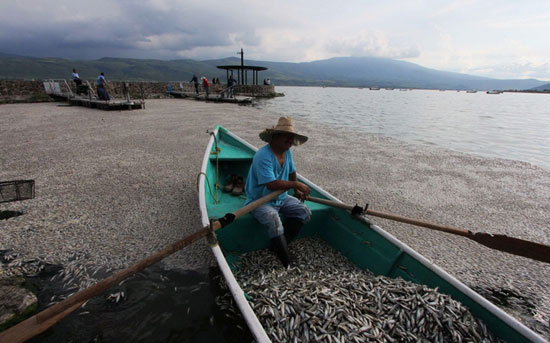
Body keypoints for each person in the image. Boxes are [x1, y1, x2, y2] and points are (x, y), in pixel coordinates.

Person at [244, 117, 312, 267]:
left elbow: (292, 171)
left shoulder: (287, 152)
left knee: (304, 212)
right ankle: (286, 262)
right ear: (275, 137)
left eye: (291, 137)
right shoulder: (263, 156)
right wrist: (296, 184)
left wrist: (296, 190)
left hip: (281, 197)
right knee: (273, 218)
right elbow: (271, 184)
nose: (290, 139)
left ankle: (280, 245)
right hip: (260, 200)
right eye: (285, 135)